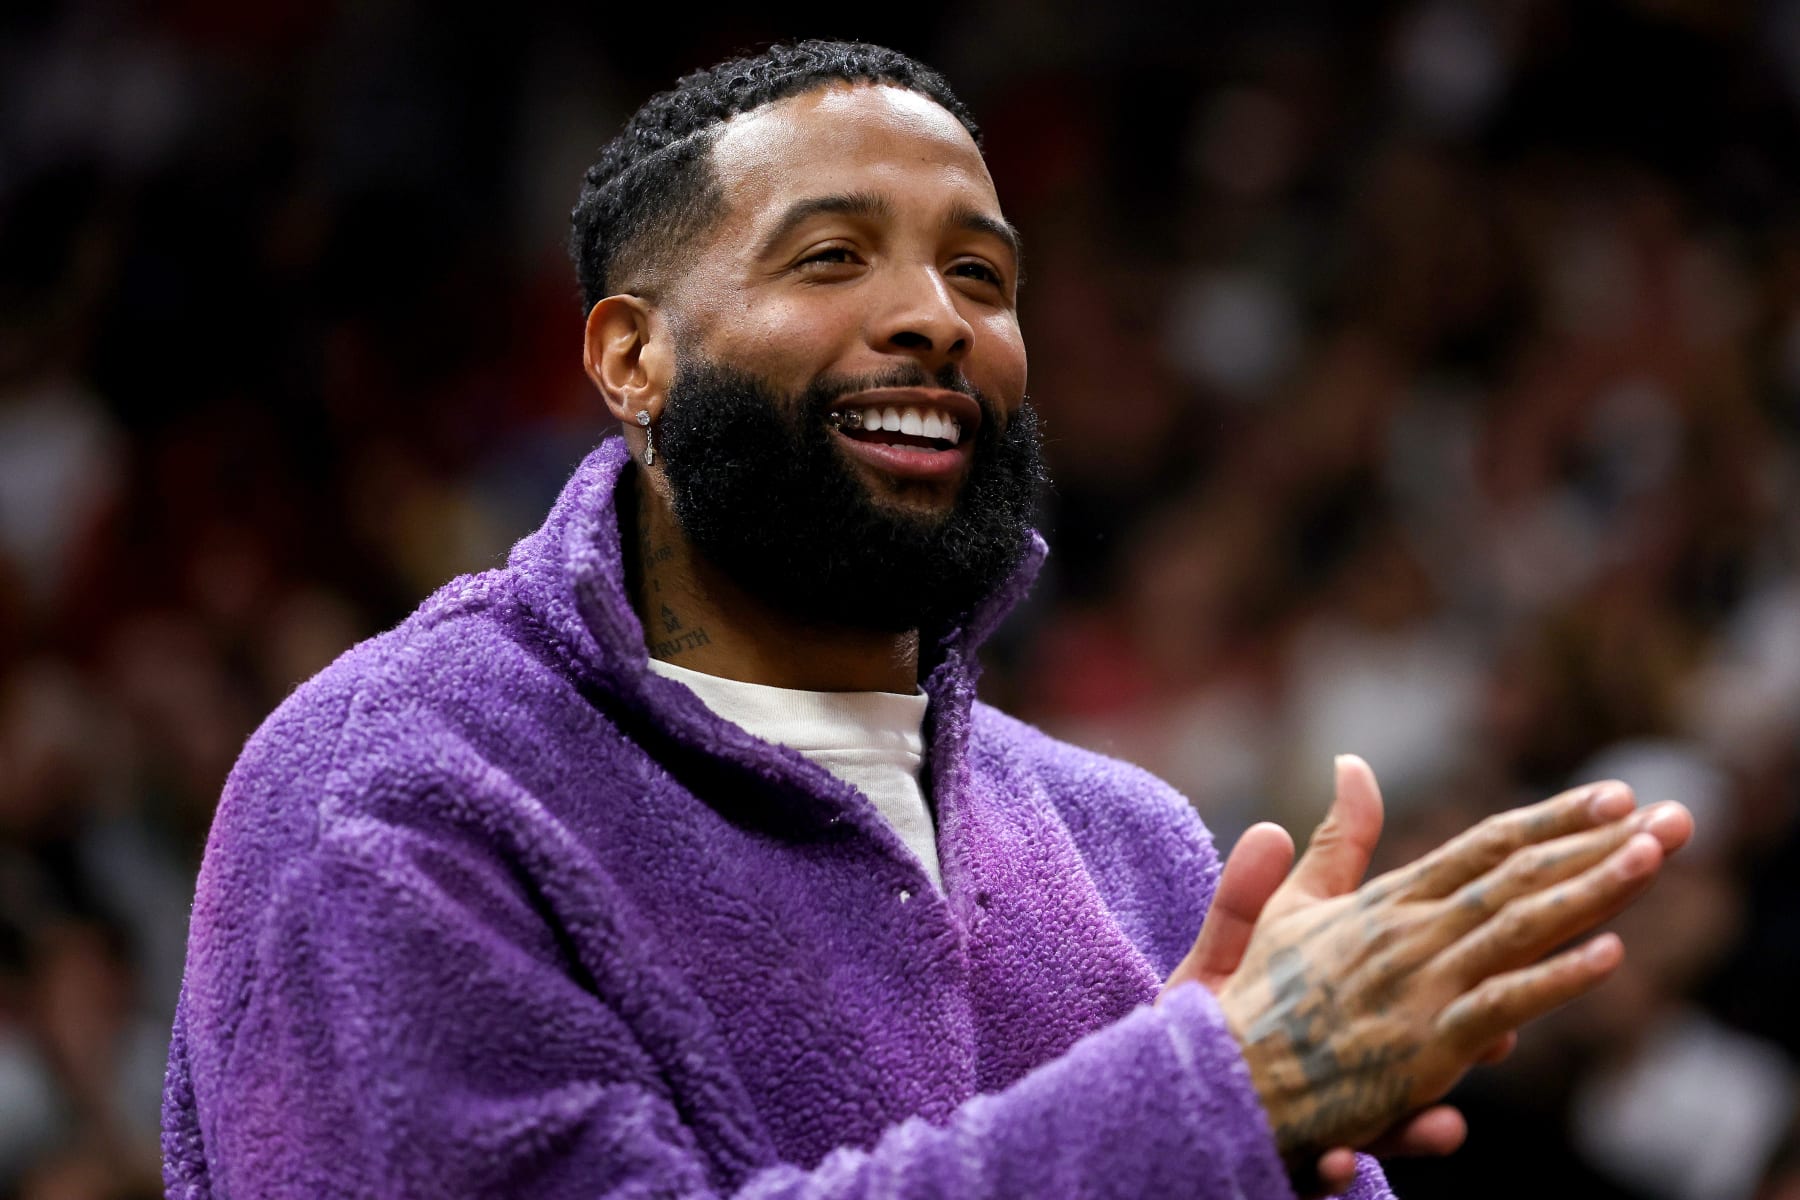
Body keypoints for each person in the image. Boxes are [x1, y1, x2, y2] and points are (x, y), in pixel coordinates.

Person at [159, 40, 1693, 1199]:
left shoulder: (1133, 846)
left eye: (982, 273)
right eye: (832, 257)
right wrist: (1210, 1103)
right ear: (631, 359)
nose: (937, 317)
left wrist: (1271, 1148)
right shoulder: (401, 781)